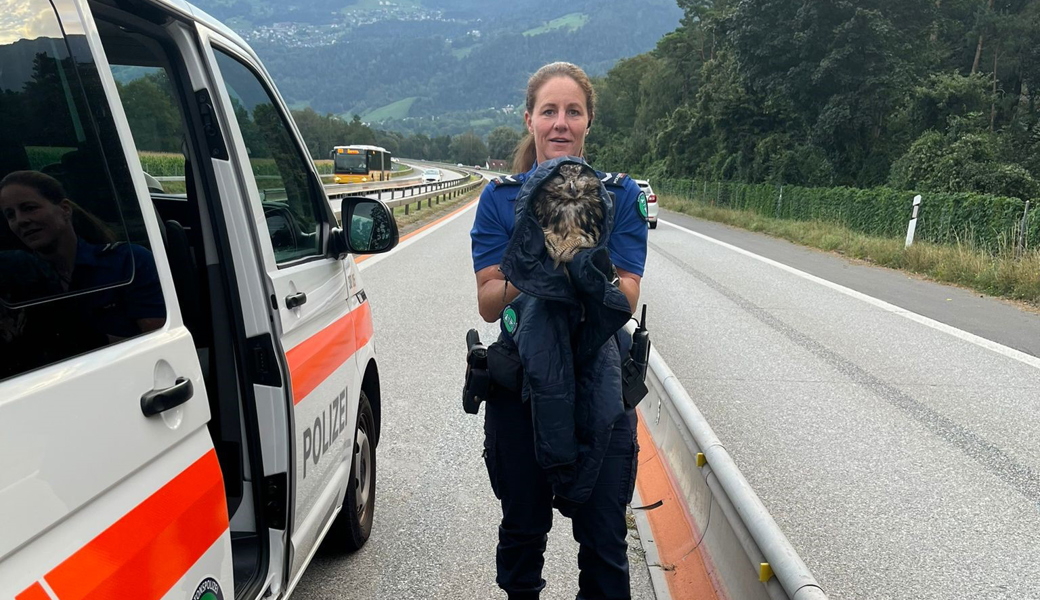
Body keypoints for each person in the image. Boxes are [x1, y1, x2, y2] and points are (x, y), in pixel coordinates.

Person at [470, 62, 649, 600]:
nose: (560, 123)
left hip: (601, 379)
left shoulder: (618, 197)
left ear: (589, 121)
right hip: (519, 383)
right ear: (530, 120)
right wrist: (553, 269)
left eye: (573, 111)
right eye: (549, 111)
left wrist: (538, 271)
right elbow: (486, 301)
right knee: (523, 538)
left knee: (605, 547)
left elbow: (628, 294)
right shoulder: (500, 199)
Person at [0, 170, 166, 342]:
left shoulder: (127, 263)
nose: (20, 220)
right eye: (10, 215)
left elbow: (158, 342)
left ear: (65, 209)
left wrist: (86, 340)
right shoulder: (13, 282)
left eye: (29, 208)